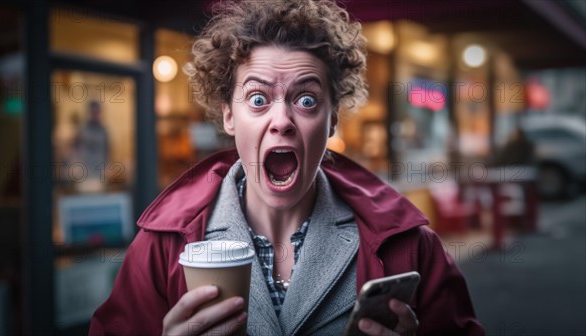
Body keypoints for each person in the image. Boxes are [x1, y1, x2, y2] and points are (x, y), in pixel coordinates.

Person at [90, 1, 484, 335]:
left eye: (307, 101)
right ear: (229, 115)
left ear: (332, 121)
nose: (282, 120)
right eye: (258, 98)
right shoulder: (163, 247)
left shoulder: (409, 246)